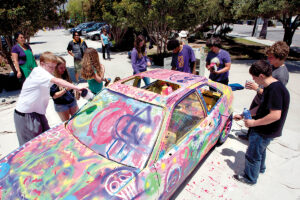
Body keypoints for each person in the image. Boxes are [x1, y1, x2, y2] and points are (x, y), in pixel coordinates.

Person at [233, 60, 290, 185]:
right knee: (261, 151)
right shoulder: (271, 87)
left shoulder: (274, 90)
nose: (253, 80)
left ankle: (250, 178)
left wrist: (254, 123)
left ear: (261, 76)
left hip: (264, 130)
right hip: (266, 130)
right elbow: (261, 108)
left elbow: (275, 115)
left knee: (252, 155)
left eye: (254, 77)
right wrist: (243, 116)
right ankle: (260, 169)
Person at [14, 52, 84, 146]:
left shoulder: (44, 73)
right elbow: (56, 81)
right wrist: (77, 88)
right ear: (42, 64)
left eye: (54, 67)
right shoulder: (39, 72)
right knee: (33, 145)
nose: (52, 70)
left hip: (38, 113)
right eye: (50, 67)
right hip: (26, 114)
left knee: (46, 138)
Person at [239, 41, 290, 140]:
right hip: (260, 101)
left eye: (271, 57)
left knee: (257, 125)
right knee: (252, 118)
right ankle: (250, 135)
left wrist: (256, 88)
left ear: (279, 57)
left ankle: (253, 138)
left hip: (265, 106)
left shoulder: (281, 75)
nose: (268, 59)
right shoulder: (272, 66)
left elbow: (274, 97)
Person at [50, 56, 79, 122]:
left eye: (64, 67)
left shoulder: (65, 74)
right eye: (61, 68)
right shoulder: (51, 78)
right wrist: (66, 89)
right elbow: (54, 95)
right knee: (67, 123)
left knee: (77, 121)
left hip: (72, 101)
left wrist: (76, 90)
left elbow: (70, 86)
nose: (64, 69)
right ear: (55, 68)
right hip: (61, 105)